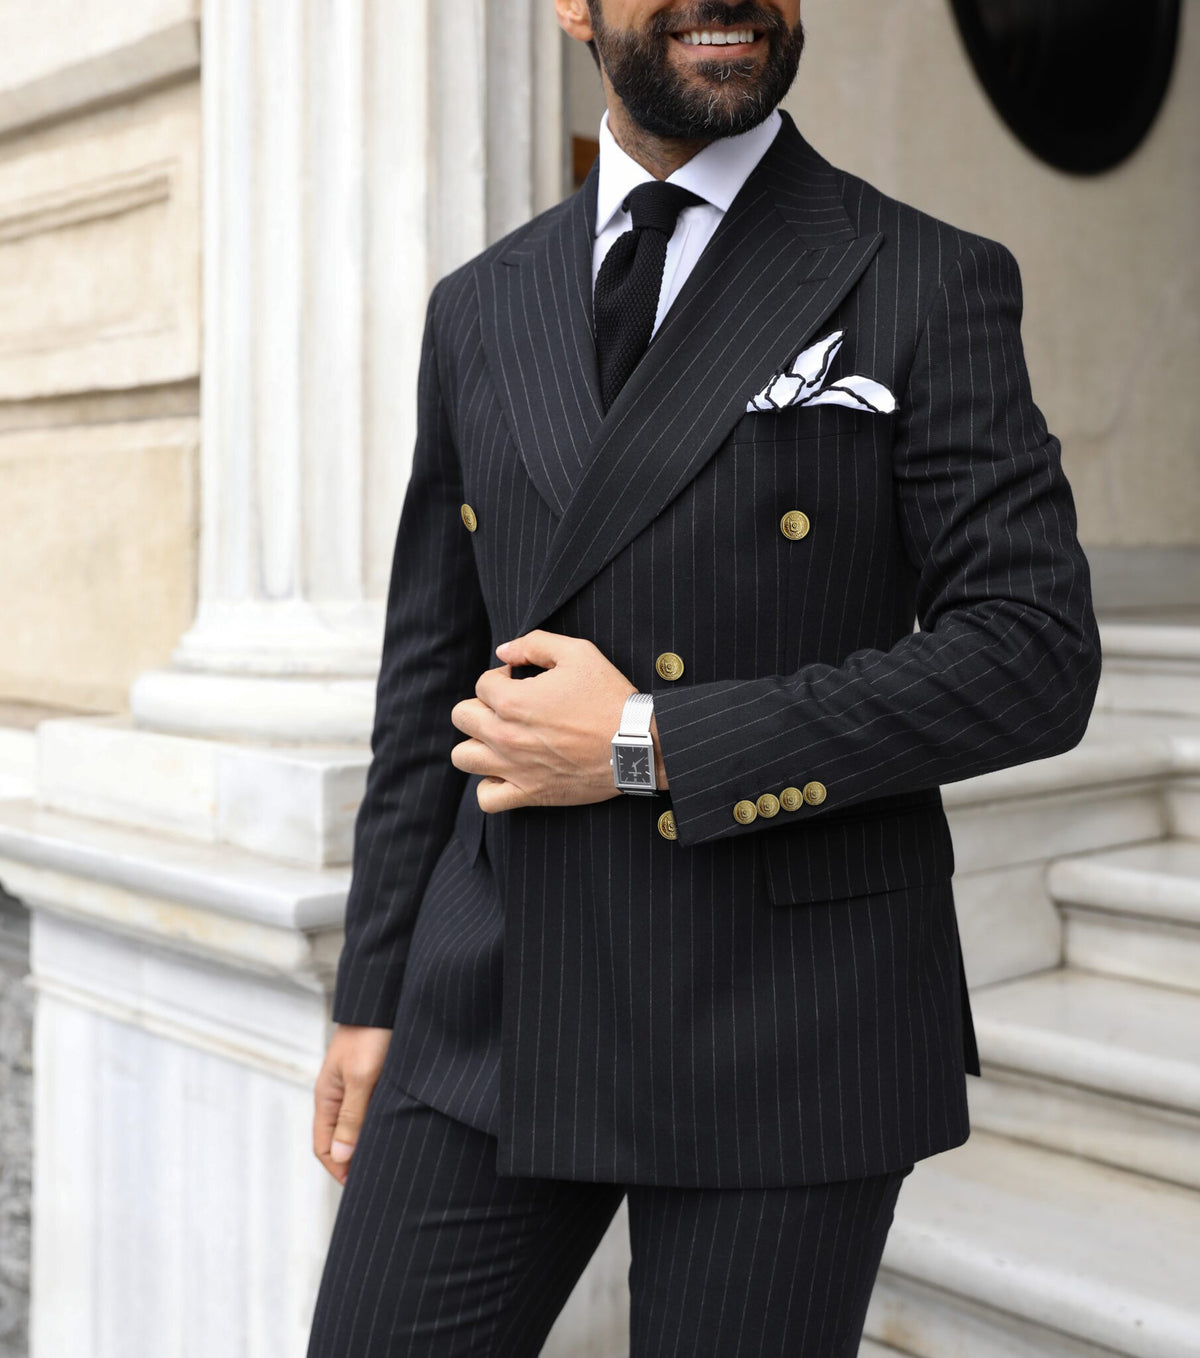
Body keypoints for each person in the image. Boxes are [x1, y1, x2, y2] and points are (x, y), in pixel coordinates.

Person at [306, 1, 1101, 1354]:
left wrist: (646, 739)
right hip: (497, 984)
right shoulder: (480, 305)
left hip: (789, 1006)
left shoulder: (923, 274)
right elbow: (428, 672)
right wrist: (373, 987)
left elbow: (1035, 654)